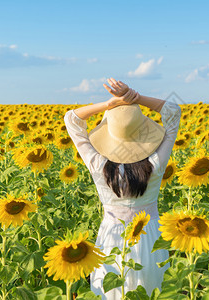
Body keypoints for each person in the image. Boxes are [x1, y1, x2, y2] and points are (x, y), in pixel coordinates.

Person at [63, 78, 181, 298]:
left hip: (111, 239)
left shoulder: (98, 165)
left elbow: (71, 119)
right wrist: (137, 98)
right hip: (150, 237)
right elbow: (173, 112)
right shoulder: (156, 163)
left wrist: (109, 105)